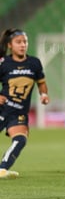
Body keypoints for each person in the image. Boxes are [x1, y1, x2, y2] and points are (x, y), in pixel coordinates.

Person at [0, 28, 49, 179]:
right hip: (2, 109)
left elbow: (41, 82)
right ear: (10, 45)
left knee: (21, 139)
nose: (23, 45)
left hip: (19, 112)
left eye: (25, 42)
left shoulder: (34, 63)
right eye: (18, 42)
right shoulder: (3, 63)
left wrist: (44, 94)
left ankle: (2, 169)